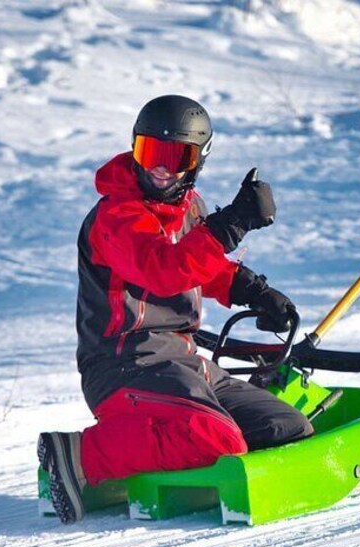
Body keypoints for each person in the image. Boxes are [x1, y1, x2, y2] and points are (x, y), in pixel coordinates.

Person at [37, 94, 314, 524]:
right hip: (122, 366)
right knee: (220, 439)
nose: (160, 166)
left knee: (285, 428)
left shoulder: (190, 207)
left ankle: (190, 447)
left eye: (175, 155)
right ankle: (78, 455)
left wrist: (255, 291)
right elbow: (162, 269)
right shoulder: (117, 215)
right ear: (134, 147)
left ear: (198, 160)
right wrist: (232, 223)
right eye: (150, 151)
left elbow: (201, 266)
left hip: (180, 362)